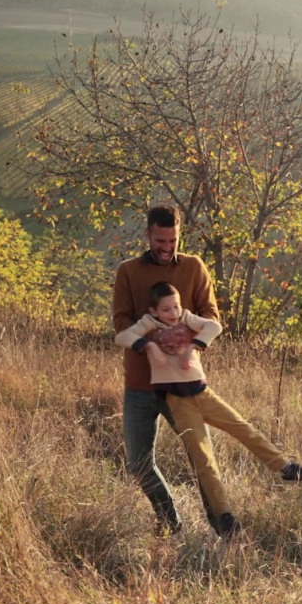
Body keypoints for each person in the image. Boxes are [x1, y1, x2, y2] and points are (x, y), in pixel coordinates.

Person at [116, 282, 302, 538]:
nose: (173, 312)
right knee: (203, 459)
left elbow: (215, 325)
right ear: (154, 311)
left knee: (244, 428)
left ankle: (285, 468)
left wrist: (193, 345)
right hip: (178, 400)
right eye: (166, 309)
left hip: (203, 393)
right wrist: (150, 346)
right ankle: (225, 517)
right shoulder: (149, 324)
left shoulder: (187, 318)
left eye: (176, 306)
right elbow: (122, 336)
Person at [113, 205, 218, 535]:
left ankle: (222, 527)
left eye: (173, 240)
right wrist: (149, 345)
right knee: (139, 465)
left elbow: (211, 317)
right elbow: (121, 322)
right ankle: (172, 524)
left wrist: (190, 345)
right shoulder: (128, 271)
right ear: (147, 235)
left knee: (201, 460)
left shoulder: (194, 267)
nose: (167, 247)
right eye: (160, 240)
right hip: (140, 385)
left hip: (183, 386)